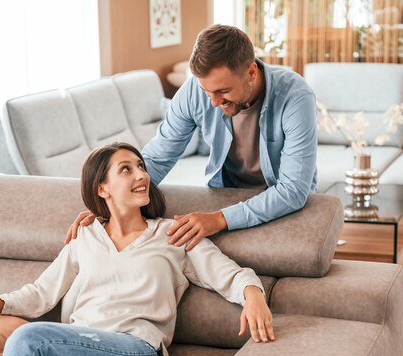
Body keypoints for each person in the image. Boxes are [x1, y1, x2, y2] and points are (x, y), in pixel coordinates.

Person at [0, 142, 275, 356]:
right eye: (126, 169)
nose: (141, 175)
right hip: (79, 352)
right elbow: (41, 293)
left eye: (141, 167)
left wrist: (254, 296)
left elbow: (231, 274)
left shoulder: (171, 233)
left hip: (135, 355)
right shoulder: (86, 235)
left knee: (28, 337)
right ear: (103, 188)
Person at [66, 24, 318, 251]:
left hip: (280, 199)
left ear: (251, 72)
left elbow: (293, 190)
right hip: (225, 193)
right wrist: (107, 205)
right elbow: (159, 155)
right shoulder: (193, 93)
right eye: (206, 91)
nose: (215, 102)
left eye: (223, 91)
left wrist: (219, 219)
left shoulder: (295, 96)